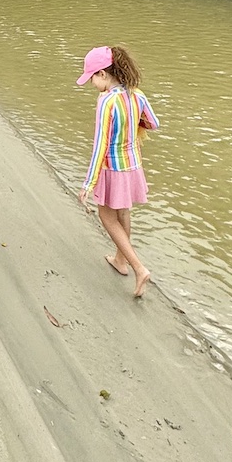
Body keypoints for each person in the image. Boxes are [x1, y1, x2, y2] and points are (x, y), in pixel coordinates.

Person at [76, 45, 159, 297]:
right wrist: (133, 123)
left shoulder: (106, 101)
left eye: (92, 77)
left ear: (103, 74)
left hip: (113, 166)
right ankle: (120, 261)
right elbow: (153, 123)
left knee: (107, 217)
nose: (92, 83)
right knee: (123, 211)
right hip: (133, 164)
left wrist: (89, 183)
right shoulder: (137, 95)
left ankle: (138, 267)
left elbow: (100, 143)